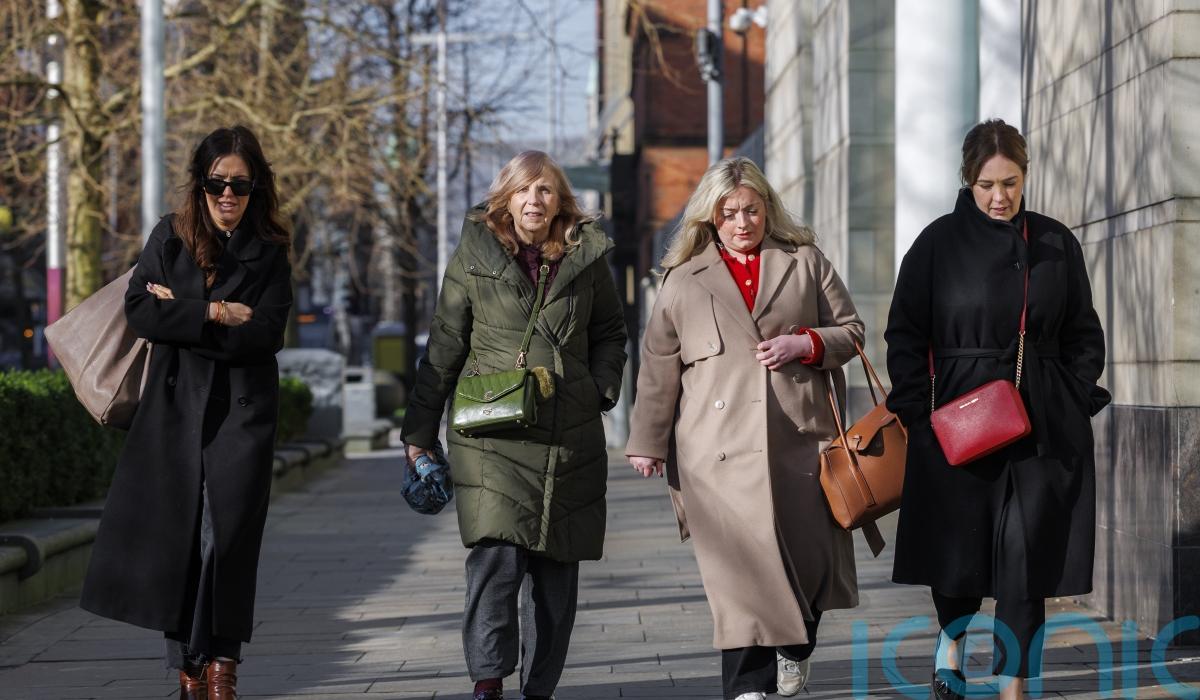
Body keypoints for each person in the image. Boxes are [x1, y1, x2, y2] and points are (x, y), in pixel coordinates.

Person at [884, 119, 1110, 700]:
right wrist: (917, 412)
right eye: (987, 184)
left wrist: (1073, 393)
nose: (1000, 197)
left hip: (1042, 423)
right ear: (967, 180)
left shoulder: (1055, 242)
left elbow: (1085, 331)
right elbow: (904, 332)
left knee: (1026, 559)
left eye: (1011, 182)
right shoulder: (937, 244)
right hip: (957, 418)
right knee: (957, 551)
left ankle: (1014, 683)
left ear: (1025, 177)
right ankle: (951, 644)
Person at [625, 157, 865, 700]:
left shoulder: (804, 262)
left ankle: (795, 648)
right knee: (739, 576)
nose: (741, 222)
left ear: (767, 208)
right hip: (717, 454)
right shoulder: (684, 279)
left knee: (810, 566)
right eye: (728, 213)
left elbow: (852, 331)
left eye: (751, 210)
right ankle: (746, 689)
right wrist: (647, 443)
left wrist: (807, 342)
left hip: (800, 440)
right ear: (710, 217)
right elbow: (659, 366)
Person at [401, 150, 628, 700]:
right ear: (505, 198)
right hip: (492, 433)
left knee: (556, 575)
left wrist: (598, 388)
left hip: (568, 435)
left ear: (560, 201)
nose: (534, 200)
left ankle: (539, 687)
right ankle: (488, 681)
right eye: (524, 189)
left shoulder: (587, 257)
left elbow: (610, 333)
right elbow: (444, 347)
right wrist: (418, 436)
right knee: (496, 559)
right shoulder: (474, 255)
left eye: (545, 190)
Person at [80, 125, 292, 699]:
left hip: (241, 414)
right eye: (217, 183)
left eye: (240, 185)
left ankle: (222, 663)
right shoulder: (169, 236)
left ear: (256, 188)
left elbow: (266, 334)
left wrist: (183, 315)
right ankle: (188, 665)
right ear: (200, 184)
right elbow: (140, 312)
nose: (228, 195)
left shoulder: (270, 247)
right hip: (174, 410)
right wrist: (217, 313)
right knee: (177, 537)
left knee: (228, 539)